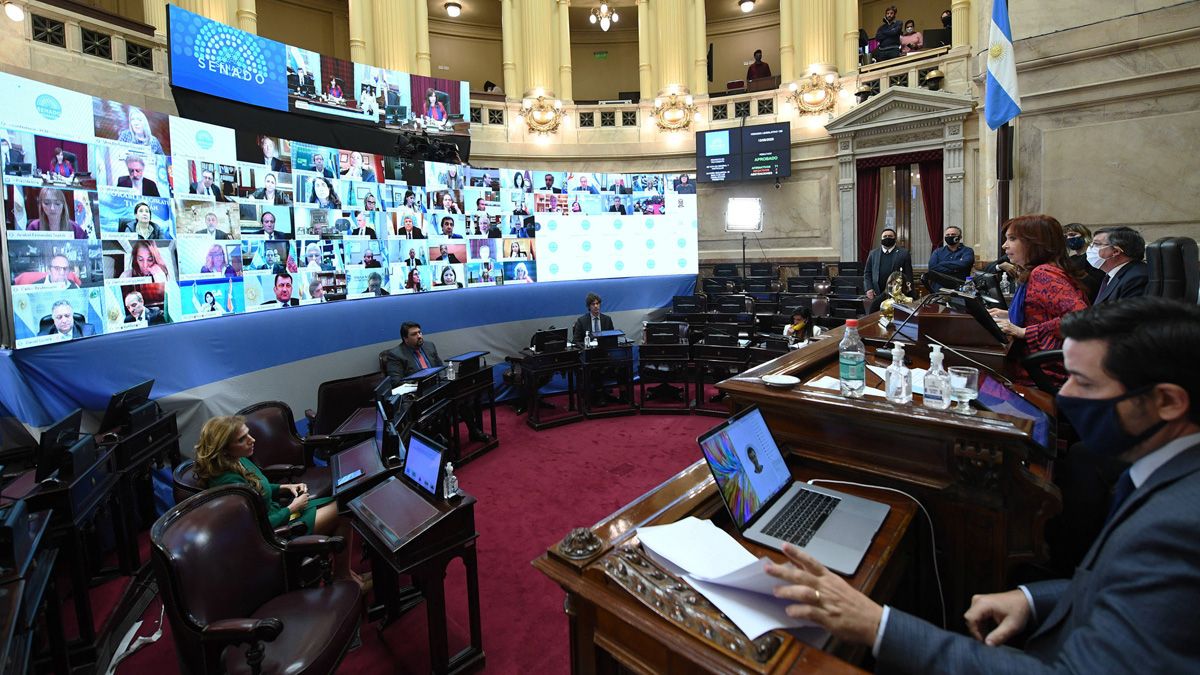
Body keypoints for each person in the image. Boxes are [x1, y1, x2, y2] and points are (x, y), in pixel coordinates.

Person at [766, 296, 1200, 674]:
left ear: (1166, 401)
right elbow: (1123, 587)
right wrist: (1034, 599)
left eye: (1083, 382)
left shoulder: (1178, 528)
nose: (1064, 396)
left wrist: (877, 626)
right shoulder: (1167, 471)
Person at [191, 416, 357, 581]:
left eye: (248, 434)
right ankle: (344, 577)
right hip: (275, 533)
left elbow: (259, 488)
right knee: (342, 510)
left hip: (280, 514)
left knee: (340, 503)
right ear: (224, 449)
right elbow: (255, 527)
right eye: (242, 439)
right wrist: (292, 508)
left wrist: (285, 487)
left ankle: (343, 573)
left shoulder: (239, 460)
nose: (252, 439)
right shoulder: (229, 483)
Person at [988, 215, 1090, 385]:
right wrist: (1008, 314)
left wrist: (1024, 332)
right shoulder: (1040, 270)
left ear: (1035, 242)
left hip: (1044, 370)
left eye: (1012, 239)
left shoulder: (1043, 274)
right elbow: (1044, 311)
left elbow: (1081, 319)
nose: (1004, 245)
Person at [385, 322, 490, 443]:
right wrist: (420, 384)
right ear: (405, 339)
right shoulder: (395, 355)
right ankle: (444, 442)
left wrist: (444, 381)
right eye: (414, 334)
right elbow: (396, 382)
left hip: (439, 387)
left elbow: (440, 368)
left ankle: (474, 431)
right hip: (421, 395)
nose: (419, 336)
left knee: (462, 396)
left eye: (420, 332)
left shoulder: (429, 346)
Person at [1089, 226, 1149, 305]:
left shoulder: (1137, 277)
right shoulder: (1113, 274)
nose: (1090, 248)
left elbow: (1125, 315)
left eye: (1096, 244)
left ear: (1116, 251)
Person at [864, 228, 913, 309]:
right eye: (885, 236)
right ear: (881, 239)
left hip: (896, 295)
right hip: (877, 294)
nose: (887, 238)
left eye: (890, 236)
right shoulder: (873, 253)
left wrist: (910, 293)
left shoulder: (904, 253)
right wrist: (868, 288)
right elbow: (867, 273)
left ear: (895, 238)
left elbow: (908, 275)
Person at [1062, 223, 1105, 301]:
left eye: (1072, 234)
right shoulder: (1071, 259)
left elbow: (1097, 285)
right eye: (1065, 236)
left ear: (1085, 235)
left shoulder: (1094, 256)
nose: (1068, 238)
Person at [926, 226, 975, 291]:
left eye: (953, 234)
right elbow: (932, 267)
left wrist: (942, 263)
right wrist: (955, 269)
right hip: (939, 290)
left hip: (960, 289)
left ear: (960, 237)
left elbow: (965, 264)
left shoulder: (967, 251)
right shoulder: (937, 252)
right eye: (948, 235)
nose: (950, 236)